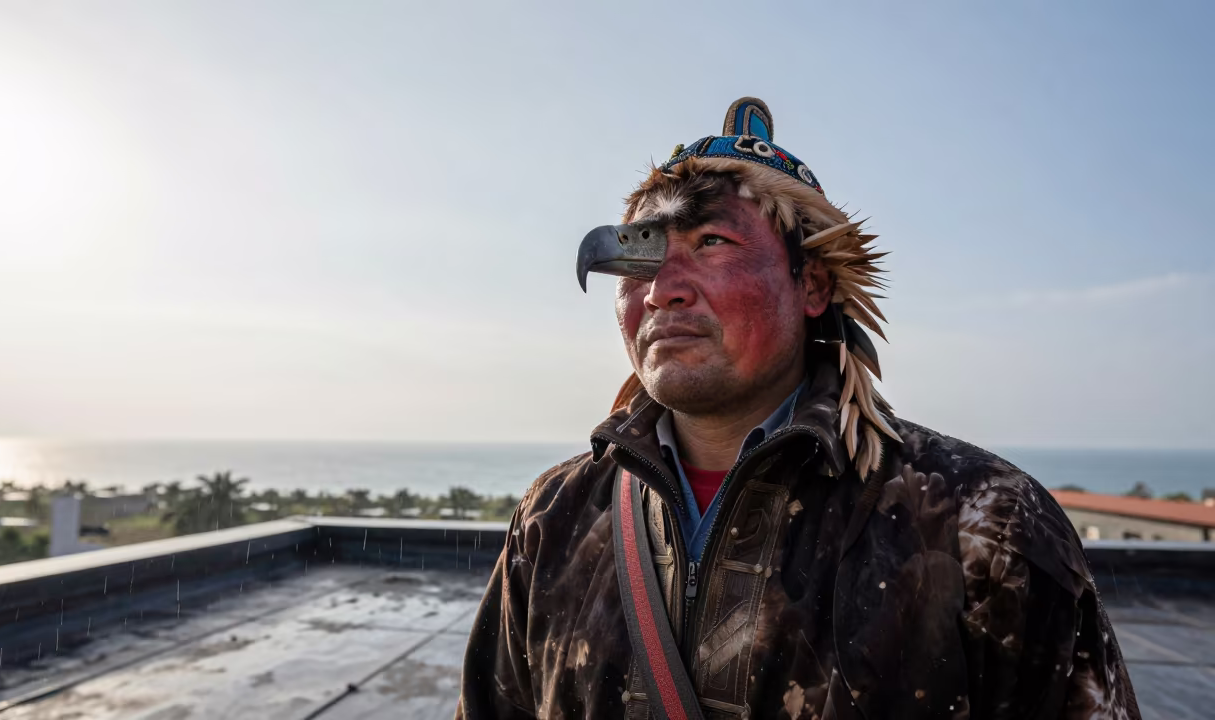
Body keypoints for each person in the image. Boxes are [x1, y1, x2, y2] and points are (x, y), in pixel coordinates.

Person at [457, 97, 1138, 719]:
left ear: (811, 284)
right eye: (640, 257)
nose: (662, 290)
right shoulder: (552, 519)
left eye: (711, 243)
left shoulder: (983, 525)